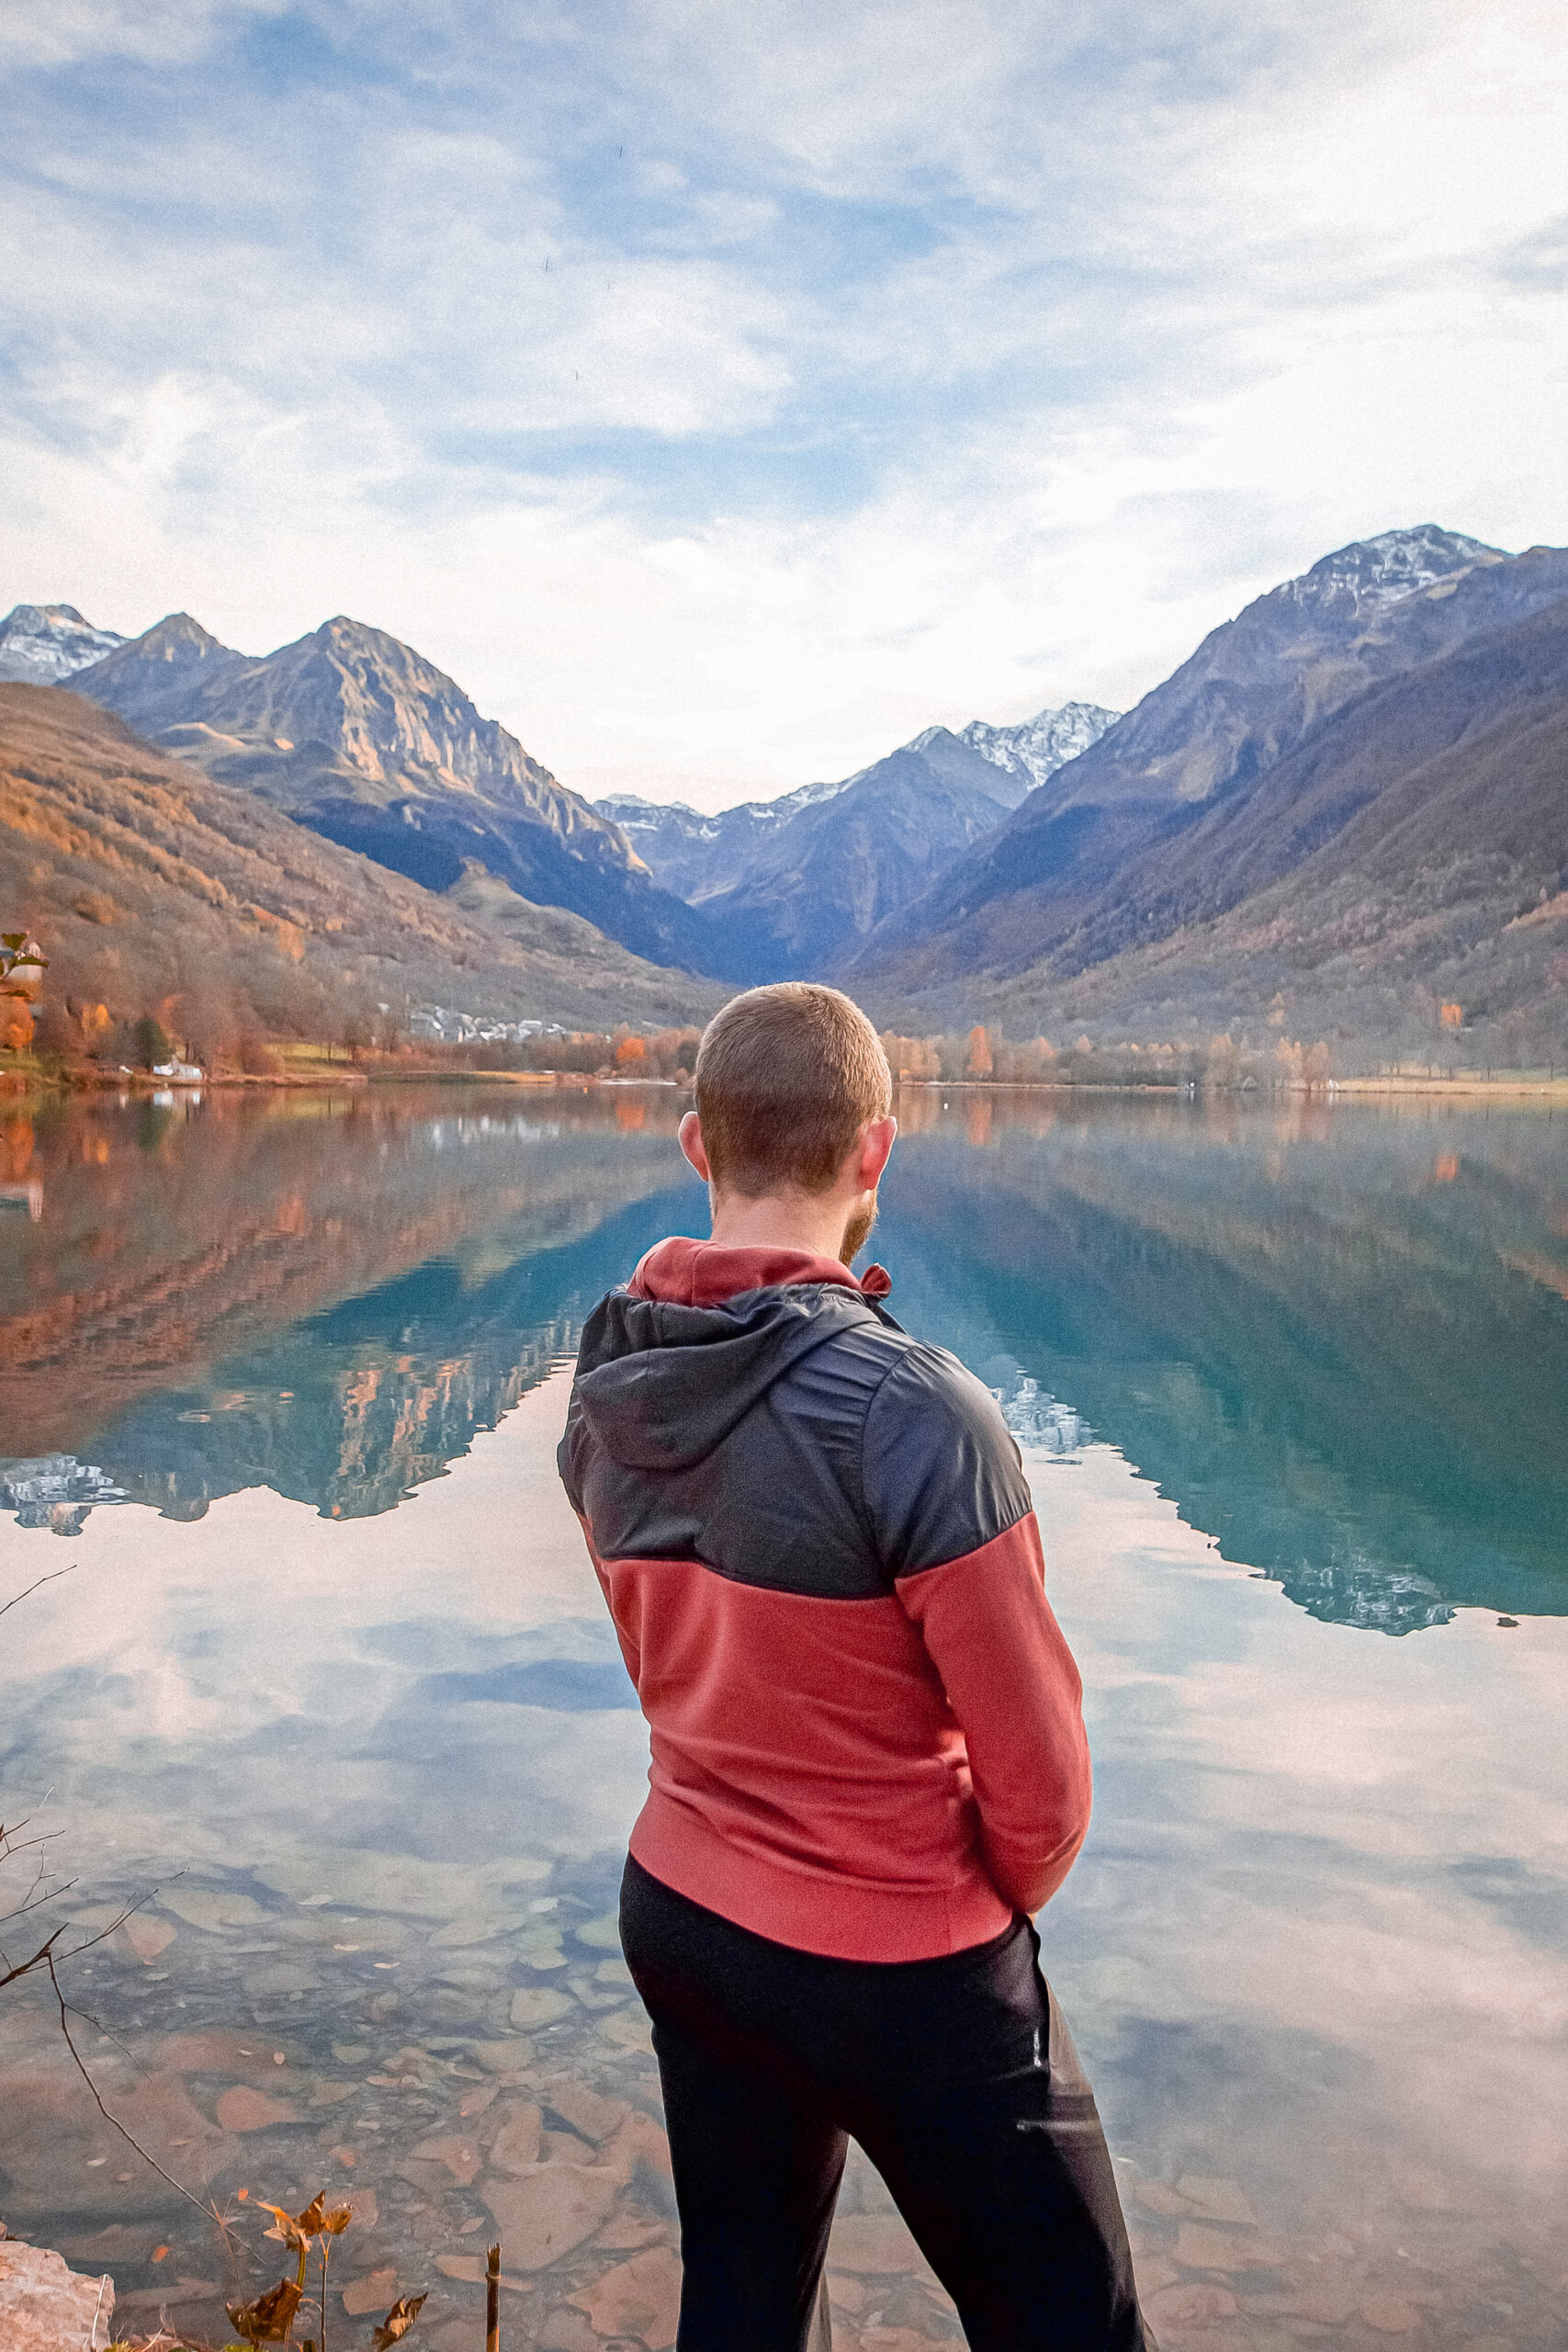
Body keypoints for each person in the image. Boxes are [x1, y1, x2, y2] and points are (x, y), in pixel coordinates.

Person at [558, 983, 1154, 2352]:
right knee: (1078, 2328)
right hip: (907, 1965)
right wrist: (950, 1926)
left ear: (697, 1146)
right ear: (876, 1151)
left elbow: (680, 1672)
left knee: (746, 2307)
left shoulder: (606, 1387)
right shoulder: (915, 1415)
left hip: (687, 1921)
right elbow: (1045, 1790)